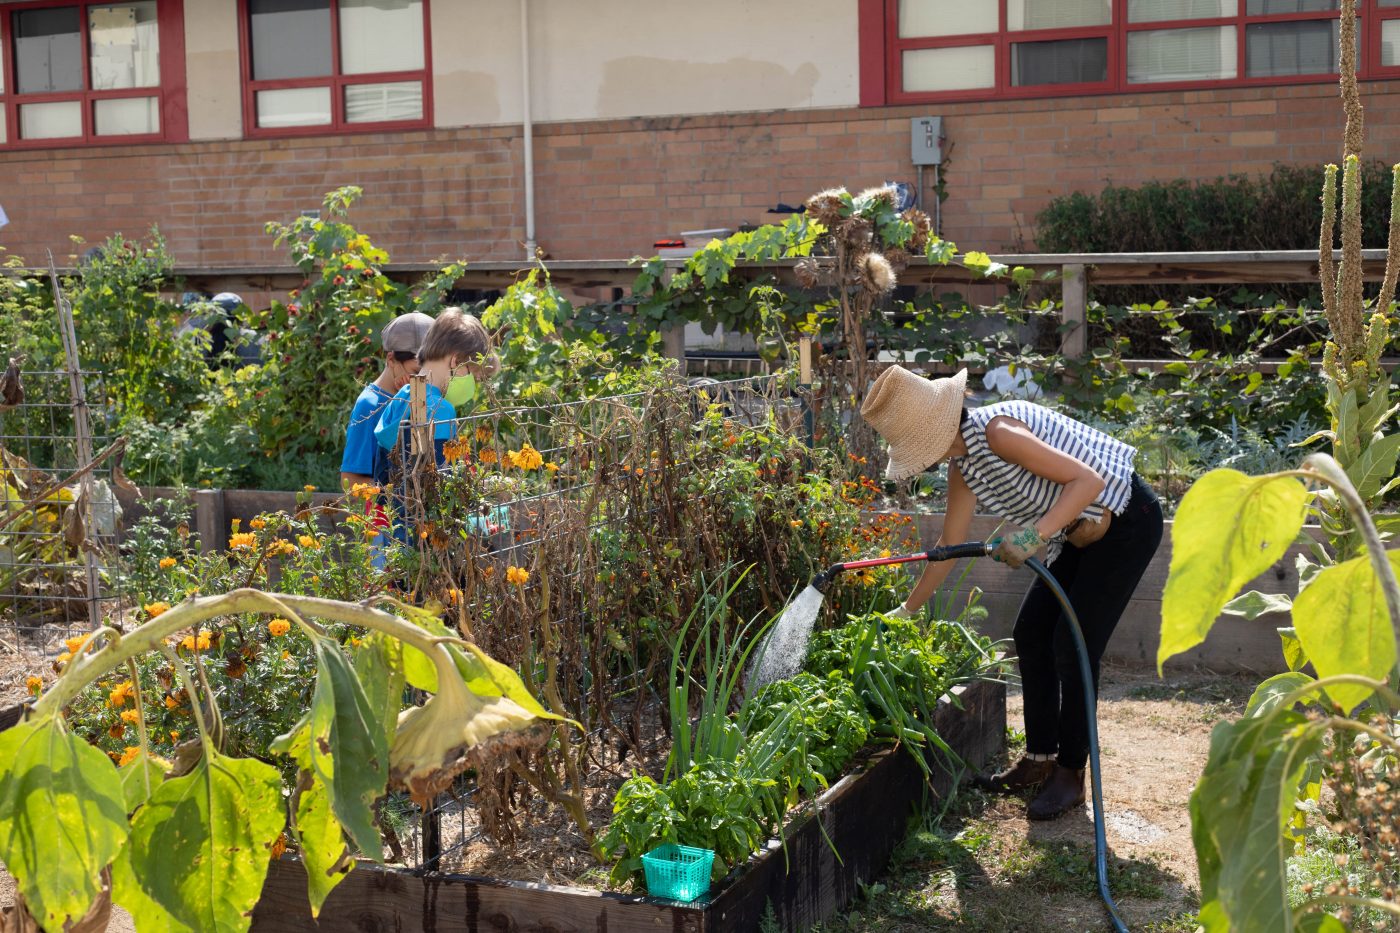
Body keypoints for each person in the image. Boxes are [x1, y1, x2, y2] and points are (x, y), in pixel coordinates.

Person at [861, 365, 1163, 821]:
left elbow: (1089, 483)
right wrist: (905, 609)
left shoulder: (999, 433)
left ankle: (1070, 774)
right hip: (1079, 532)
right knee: (1031, 632)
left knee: (1072, 642)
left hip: (1125, 520)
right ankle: (1040, 759)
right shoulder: (965, 467)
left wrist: (1031, 537)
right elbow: (949, 549)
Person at [340, 312, 433, 568]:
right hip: (385, 531)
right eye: (415, 372)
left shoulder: (419, 399)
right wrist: (397, 494)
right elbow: (350, 479)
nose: (421, 381)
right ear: (391, 359)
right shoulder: (371, 405)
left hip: (414, 525)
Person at [373, 307, 497, 470]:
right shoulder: (439, 409)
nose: (473, 385)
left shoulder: (402, 396)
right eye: (473, 376)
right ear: (455, 360)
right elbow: (437, 483)